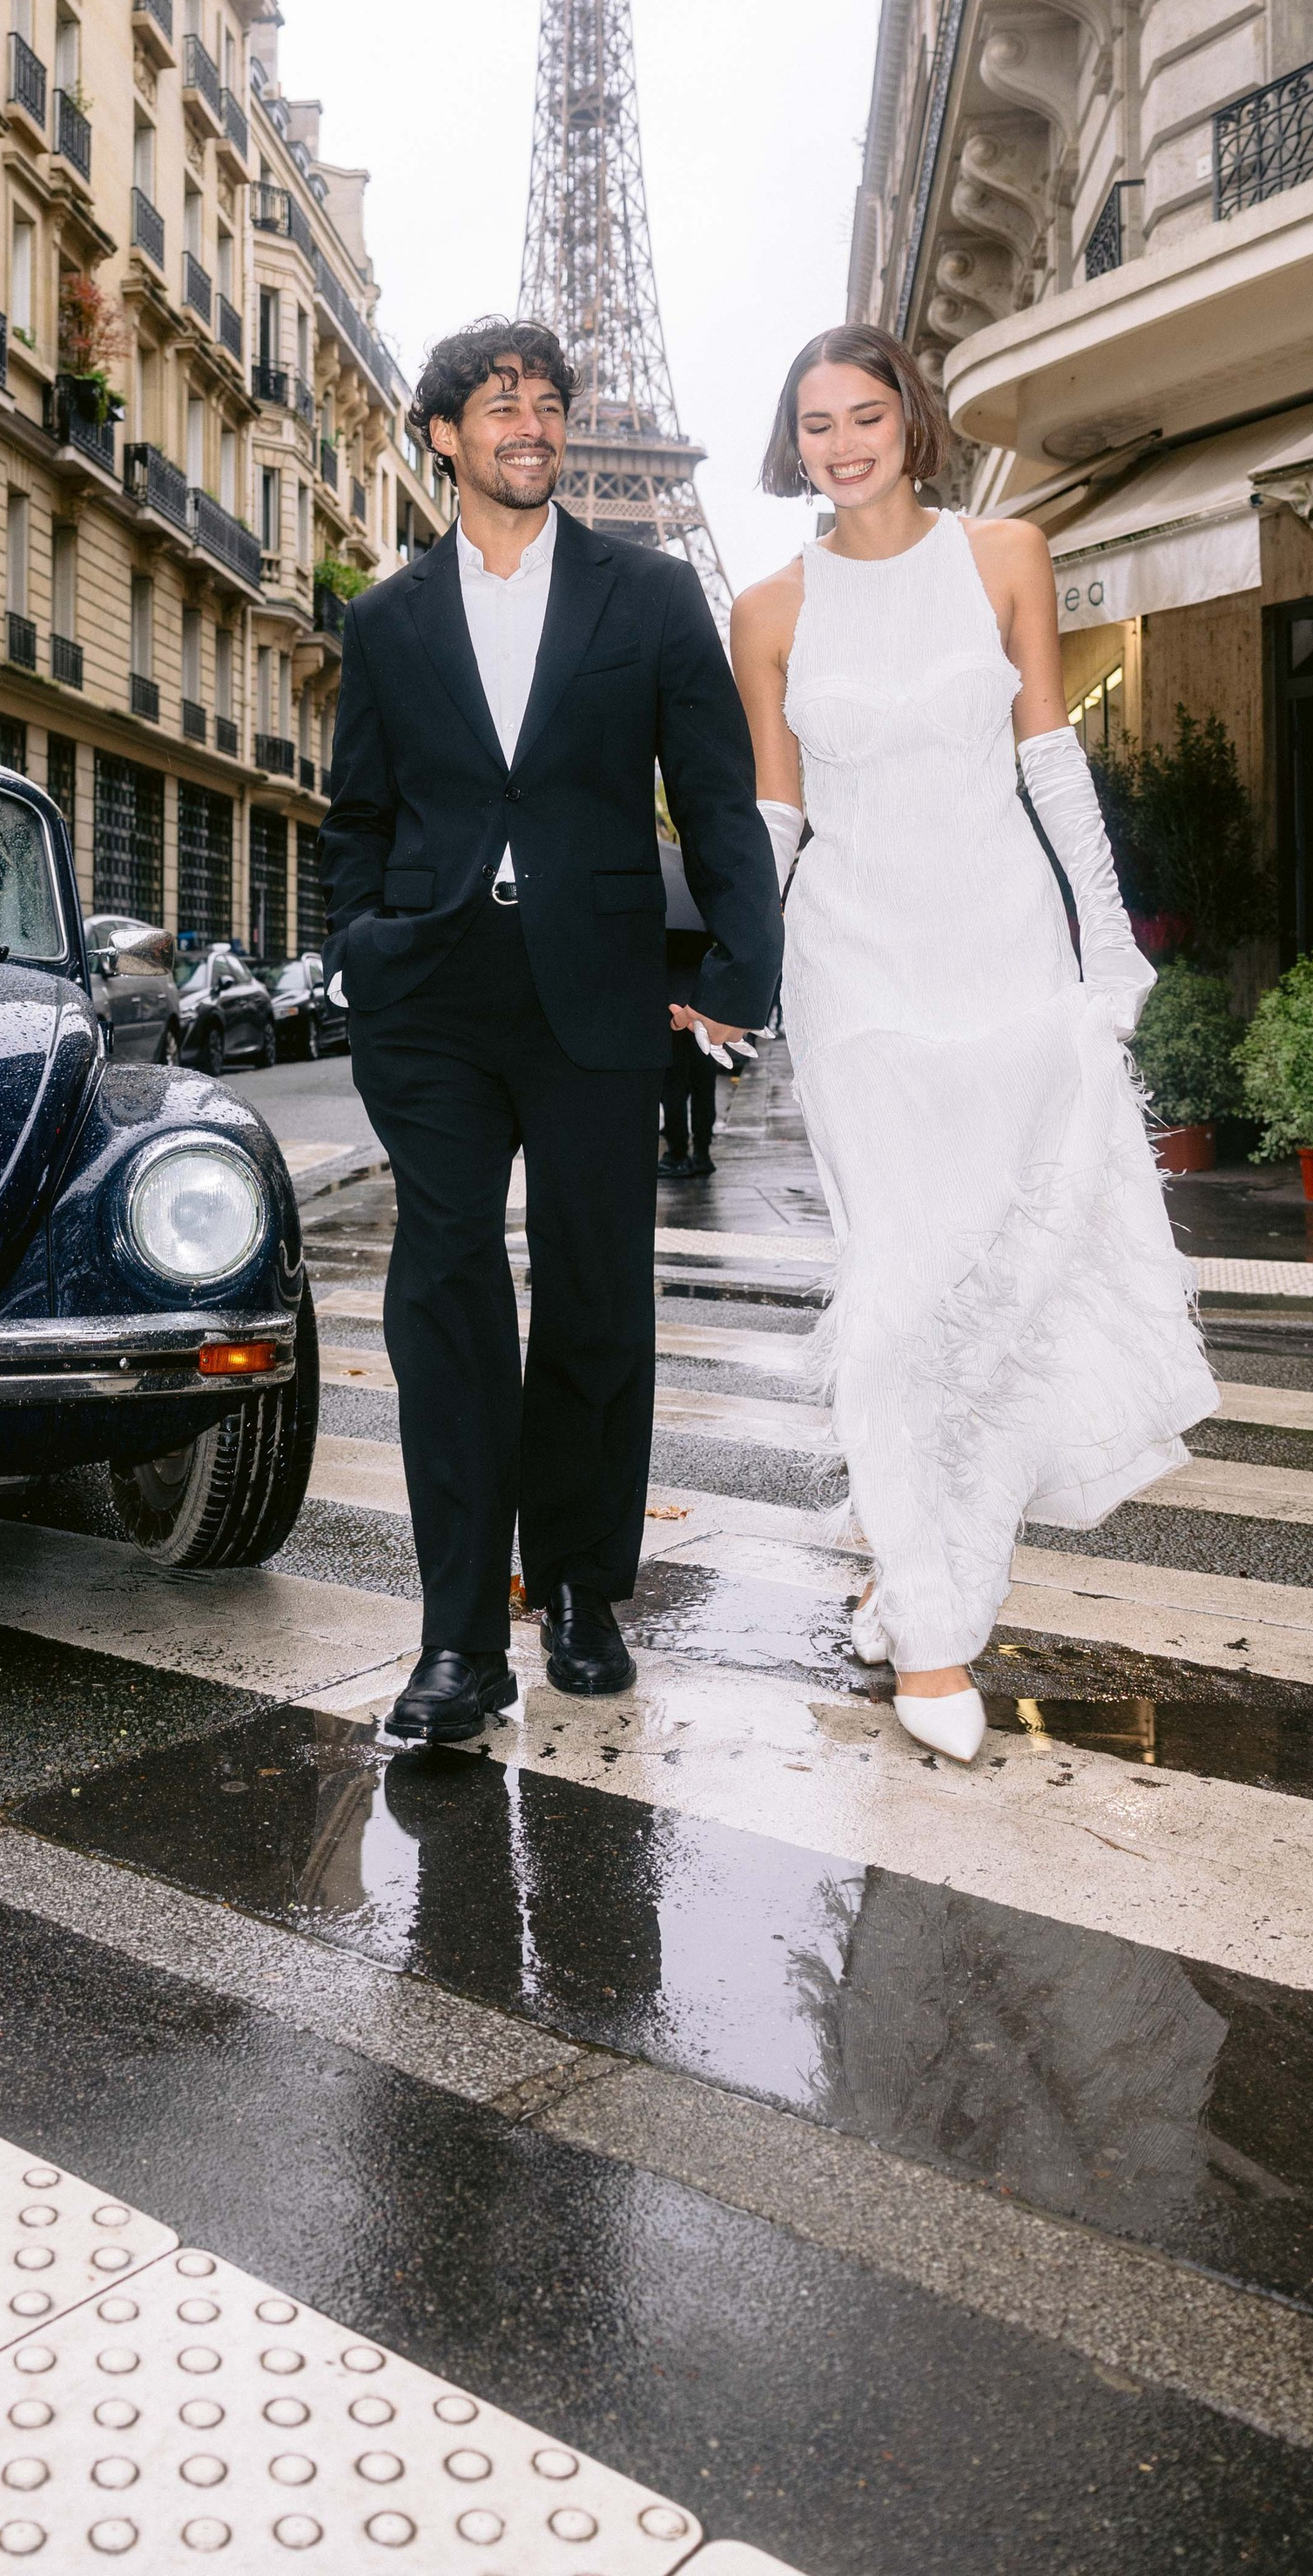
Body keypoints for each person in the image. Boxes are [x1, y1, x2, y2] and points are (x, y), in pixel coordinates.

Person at [730, 325, 1215, 1763]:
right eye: (814, 423)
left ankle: (925, 1560)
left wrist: (1107, 942)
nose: (841, 443)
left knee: (1005, 1286)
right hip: (857, 969)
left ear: (910, 421)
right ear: (793, 443)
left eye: (864, 414)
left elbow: (1050, 763)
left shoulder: (1006, 555)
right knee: (898, 1285)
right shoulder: (765, 610)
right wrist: (734, 977)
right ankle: (936, 1636)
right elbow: (773, 819)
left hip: (1002, 951)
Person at [320, 317, 783, 1745]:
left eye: (548, 402)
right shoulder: (391, 621)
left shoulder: (647, 596)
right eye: (498, 402)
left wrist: (741, 967)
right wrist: (365, 947)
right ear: (444, 437)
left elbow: (713, 798)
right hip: (438, 995)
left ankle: (581, 1586)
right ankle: (458, 1641)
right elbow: (360, 816)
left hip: (595, 983)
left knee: (596, 1294)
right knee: (445, 1298)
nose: (530, 420)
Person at [659, 832, 720, 1178]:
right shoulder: (702, 908)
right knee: (702, 1084)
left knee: (674, 1084)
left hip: (671, 1012)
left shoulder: (662, 919)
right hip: (703, 1007)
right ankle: (703, 1152)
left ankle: (678, 1151)